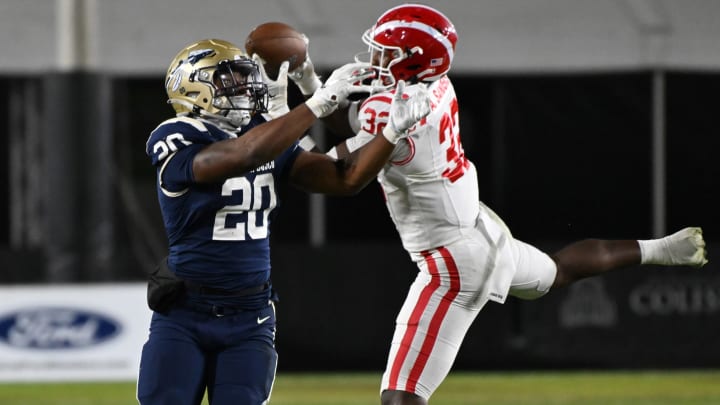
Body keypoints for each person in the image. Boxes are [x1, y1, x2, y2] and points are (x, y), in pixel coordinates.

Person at [292, 4, 710, 405]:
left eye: (386, 53)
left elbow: (337, 175)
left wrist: (297, 118)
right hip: (483, 232)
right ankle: (661, 249)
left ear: (413, 62)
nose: (375, 59)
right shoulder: (436, 87)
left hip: (451, 261)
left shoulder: (394, 110)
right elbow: (362, 128)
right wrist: (313, 87)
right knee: (558, 269)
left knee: (401, 395)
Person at [136, 38, 431, 405]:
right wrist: (316, 104)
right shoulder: (177, 135)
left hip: (251, 316)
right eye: (230, 80)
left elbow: (343, 179)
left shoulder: (265, 133)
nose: (245, 87)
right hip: (184, 313)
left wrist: (391, 132)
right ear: (193, 86)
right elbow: (243, 155)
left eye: (246, 78)